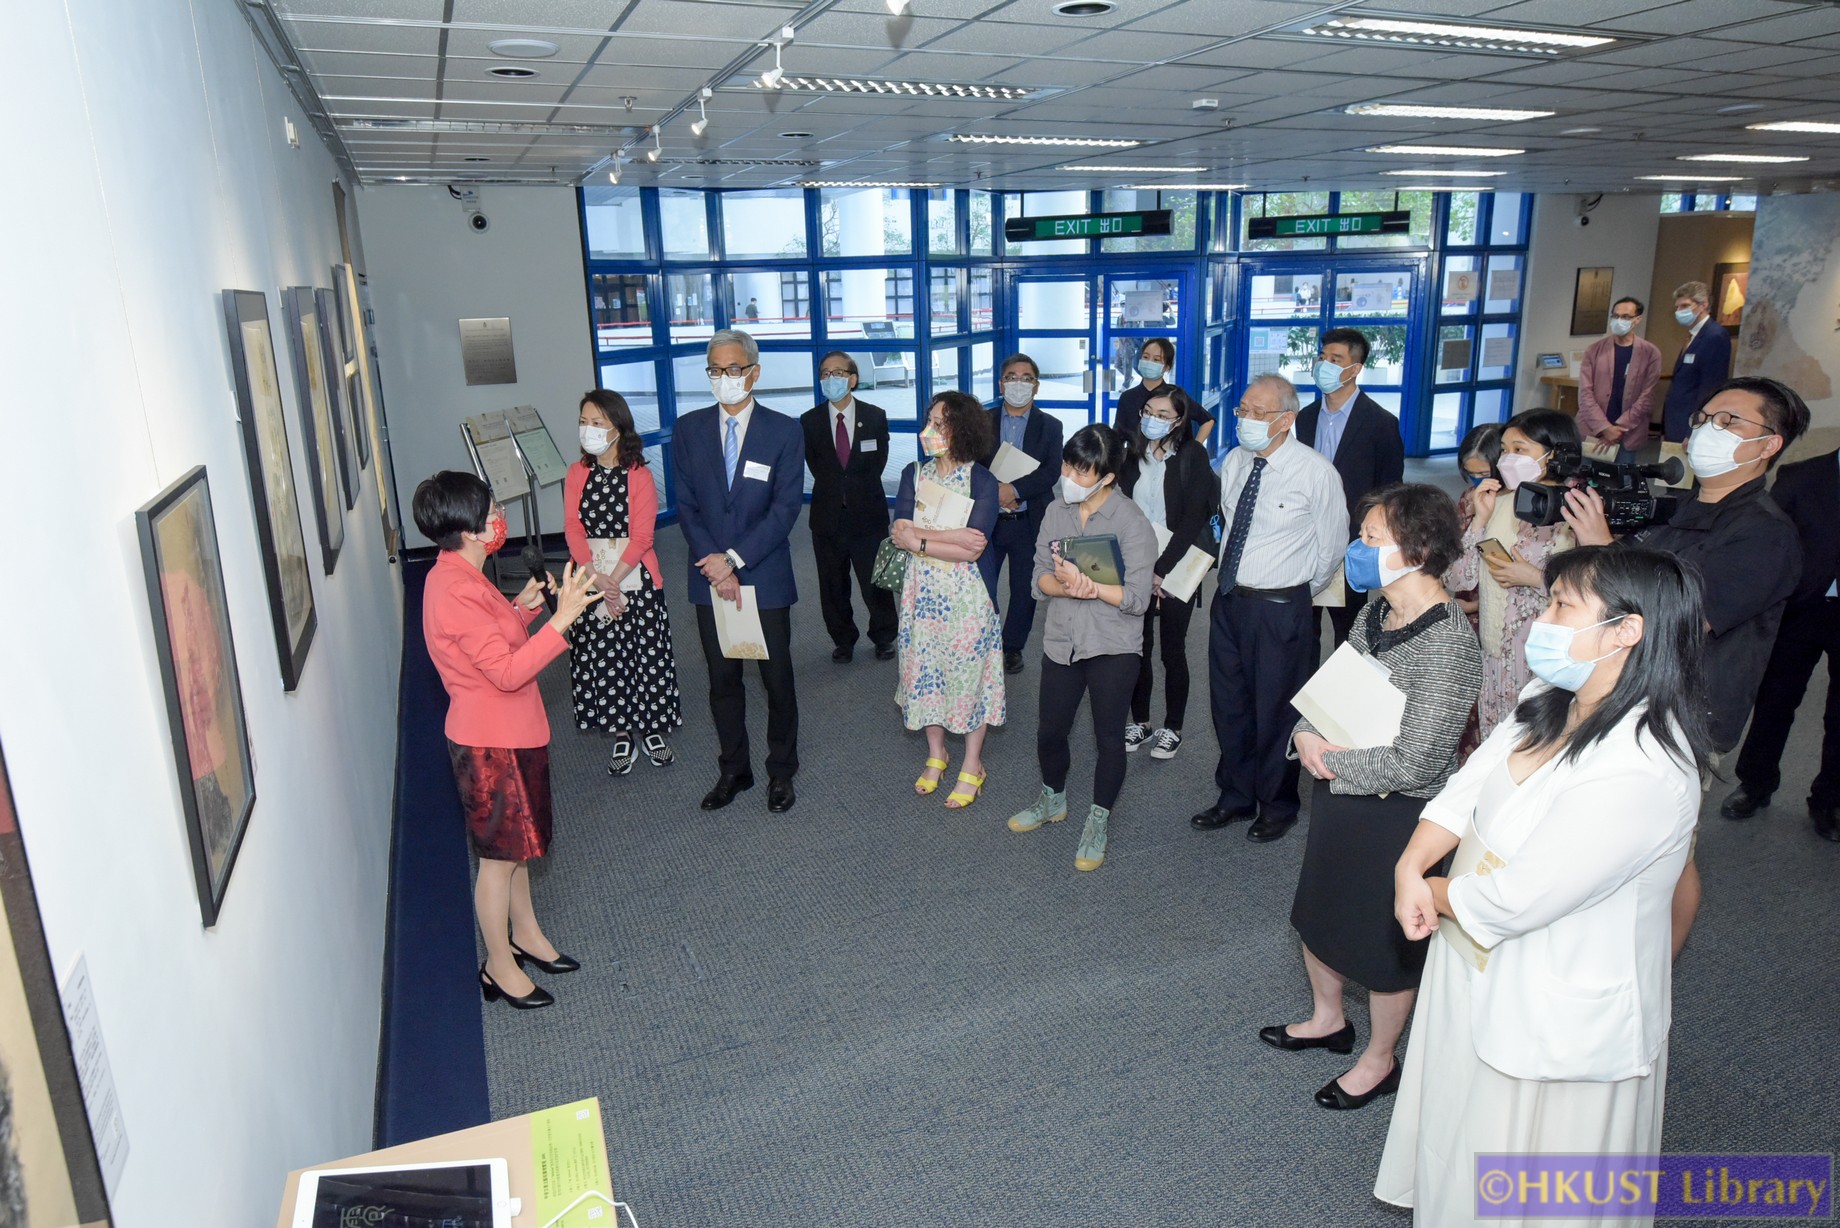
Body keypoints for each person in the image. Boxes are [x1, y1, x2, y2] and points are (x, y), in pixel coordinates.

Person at [1378, 546, 1711, 1225]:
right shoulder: (1548, 695)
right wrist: (1410, 865)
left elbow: (1517, 897)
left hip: (1555, 994)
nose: (1544, 618)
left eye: (1562, 606)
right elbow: (1466, 788)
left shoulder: (1644, 765)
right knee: (1460, 1137)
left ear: (1627, 630)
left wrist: (1431, 894)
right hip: (1472, 957)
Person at [1566, 376, 1808, 953]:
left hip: (1684, 713)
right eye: (1704, 418)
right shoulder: (1682, 510)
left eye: (1729, 422)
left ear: (1768, 444)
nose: (1706, 430)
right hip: (1625, 692)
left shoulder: (1764, 535)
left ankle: (1654, 973)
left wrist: (1603, 551)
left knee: (1666, 852)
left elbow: (1678, 619)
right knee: (1614, 841)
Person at [1269, 484, 1481, 1111]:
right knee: (1320, 911)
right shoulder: (1375, 612)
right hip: (1341, 792)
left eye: (1370, 538)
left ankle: (1380, 1060)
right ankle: (1327, 1018)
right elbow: (1336, 687)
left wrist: (1329, 762)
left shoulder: (1447, 643)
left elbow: (1417, 762)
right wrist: (1308, 732)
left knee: (1385, 943)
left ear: (1416, 550)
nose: (1356, 548)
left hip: (1398, 817)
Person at [414, 471, 601, 1011]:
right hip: (490, 743)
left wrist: (523, 609)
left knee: (519, 849)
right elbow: (505, 672)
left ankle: (526, 936)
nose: (499, 517)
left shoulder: (458, 574)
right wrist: (561, 621)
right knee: (499, 858)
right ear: (471, 529)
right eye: (491, 509)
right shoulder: (454, 588)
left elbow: (489, 644)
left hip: (508, 732)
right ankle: (498, 965)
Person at [1191, 374, 1346, 843]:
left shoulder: (1316, 472)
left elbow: (1331, 550)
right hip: (1230, 601)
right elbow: (1230, 523)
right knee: (1230, 703)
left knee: (1278, 709)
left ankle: (1277, 805)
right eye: (1242, 410)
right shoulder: (1236, 461)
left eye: (1259, 413)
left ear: (1286, 419)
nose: (1246, 420)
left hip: (1281, 609)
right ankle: (1235, 796)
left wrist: (1292, 592)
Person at [1007, 424, 1159, 871]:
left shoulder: (1132, 523)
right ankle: (1052, 799)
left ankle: (1098, 819)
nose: (1070, 476)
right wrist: (1065, 586)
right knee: (1049, 731)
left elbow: (1135, 599)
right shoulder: (1056, 511)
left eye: (1083, 471)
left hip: (1113, 644)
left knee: (1108, 738)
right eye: (1068, 465)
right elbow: (1037, 577)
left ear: (1108, 476)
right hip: (1062, 640)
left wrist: (1090, 589)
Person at [672, 329, 806, 814]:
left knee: (777, 681)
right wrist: (715, 563)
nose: (723, 378)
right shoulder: (688, 429)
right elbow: (686, 505)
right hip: (709, 577)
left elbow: (786, 507)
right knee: (723, 680)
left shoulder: (785, 431)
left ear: (753, 372)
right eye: (714, 370)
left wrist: (735, 559)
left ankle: (781, 772)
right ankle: (735, 769)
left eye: (731, 369)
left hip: (763, 576)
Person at [890, 391, 1005, 808]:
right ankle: (937, 754)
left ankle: (973, 763)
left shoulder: (982, 480)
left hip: (968, 599)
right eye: (929, 421)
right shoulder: (913, 474)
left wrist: (921, 539)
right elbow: (899, 531)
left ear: (962, 430)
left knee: (970, 679)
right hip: (921, 597)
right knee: (925, 675)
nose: (929, 431)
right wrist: (947, 537)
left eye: (940, 424)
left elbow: (973, 549)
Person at [1722, 447, 1840, 842]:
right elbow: (1770, 538)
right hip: (1800, 608)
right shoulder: (1802, 475)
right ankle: (1755, 783)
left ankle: (1830, 800)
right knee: (1775, 702)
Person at [1442, 409, 1579, 743]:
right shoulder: (1499, 503)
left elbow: (1598, 591)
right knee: (1494, 743)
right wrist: (1479, 521)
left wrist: (1534, 577)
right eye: (1504, 450)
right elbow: (1457, 580)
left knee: (1538, 745)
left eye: (1520, 449)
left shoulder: (1579, 508)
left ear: (1556, 453)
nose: (1507, 458)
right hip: (1495, 655)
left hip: (1546, 662)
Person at [564, 390, 681, 776]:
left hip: (635, 576)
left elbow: (643, 536)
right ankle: (621, 733)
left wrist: (613, 581)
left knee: (644, 655)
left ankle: (651, 730)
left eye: (597, 423)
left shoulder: (640, 476)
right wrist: (597, 578)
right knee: (604, 657)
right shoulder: (576, 473)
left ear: (618, 427)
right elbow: (573, 529)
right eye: (584, 421)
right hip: (591, 575)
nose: (588, 430)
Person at [1117, 385, 1219, 760]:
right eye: (1148, 411)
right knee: (1137, 648)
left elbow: (1192, 521)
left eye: (1163, 415)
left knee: (1173, 651)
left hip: (1179, 564)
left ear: (1179, 420)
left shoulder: (1193, 456)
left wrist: (1160, 571)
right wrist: (1140, 568)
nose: (1152, 420)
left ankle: (1172, 726)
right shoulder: (1131, 455)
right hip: (1135, 563)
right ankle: (1139, 721)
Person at [1295, 326, 1407, 651]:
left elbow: (1390, 492)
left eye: (1335, 358)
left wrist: (1371, 542)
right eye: (1321, 357)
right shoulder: (1305, 417)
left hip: (1351, 546)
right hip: (1305, 540)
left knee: (1349, 636)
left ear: (1355, 368)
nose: (1323, 364)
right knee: (1303, 633)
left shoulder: (1381, 423)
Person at [801, 352, 897, 664]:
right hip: (827, 518)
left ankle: (884, 637)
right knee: (832, 585)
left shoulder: (875, 415)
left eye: (838, 372)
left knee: (876, 582)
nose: (831, 379)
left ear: (853, 379)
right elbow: (817, 466)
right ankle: (843, 639)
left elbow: (877, 462)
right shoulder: (810, 421)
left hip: (867, 515)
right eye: (825, 374)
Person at [979, 354, 1064, 676]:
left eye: (1026, 377)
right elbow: (970, 467)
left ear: (1036, 386)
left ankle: (1011, 647)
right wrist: (995, 493)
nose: (1018, 383)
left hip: (1028, 521)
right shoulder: (981, 421)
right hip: (986, 522)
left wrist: (1013, 491)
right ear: (1001, 383)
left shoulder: (1050, 426)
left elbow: (1051, 472)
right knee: (980, 586)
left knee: (1024, 590)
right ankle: (983, 640)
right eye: (1011, 376)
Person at [1452, 423, 1503, 765]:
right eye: (1469, 475)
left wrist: (1477, 603)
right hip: (1464, 618)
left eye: (1483, 474)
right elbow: (1456, 568)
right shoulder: (1468, 502)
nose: (1475, 484)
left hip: (1501, 622)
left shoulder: (1526, 506)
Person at [1576, 296, 1663, 465]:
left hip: (1628, 434)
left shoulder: (1650, 353)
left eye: (1625, 317)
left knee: (1621, 484)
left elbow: (1648, 396)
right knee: (1585, 483)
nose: (1618, 321)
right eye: (1615, 316)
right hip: (1593, 431)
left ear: (1637, 320)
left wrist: (1618, 428)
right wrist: (1604, 428)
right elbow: (1585, 394)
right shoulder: (1594, 351)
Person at [1658, 280, 1733, 443]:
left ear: (1703, 305)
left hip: (1690, 426)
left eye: (1685, 306)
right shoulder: (1692, 336)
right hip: (1675, 422)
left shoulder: (1714, 336)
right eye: (1677, 307)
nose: (1679, 311)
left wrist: (1694, 431)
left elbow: (1710, 388)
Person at [1111, 338, 1216, 444]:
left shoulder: (1175, 396)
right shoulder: (1128, 397)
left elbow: (1208, 420)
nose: (1149, 363)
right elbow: (1118, 436)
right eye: (1146, 357)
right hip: (1136, 458)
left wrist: (1194, 449)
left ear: (1166, 367)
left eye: (1156, 360)